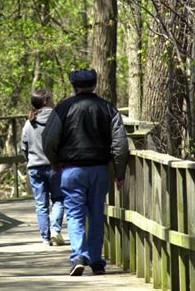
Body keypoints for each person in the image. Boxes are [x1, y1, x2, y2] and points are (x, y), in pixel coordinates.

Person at [42, 69, 129, 276]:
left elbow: (49, 139)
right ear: (95, 84)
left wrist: (55, 162)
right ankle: (97, 260)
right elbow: (120, 144)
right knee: (97, 214)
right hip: (99, 169)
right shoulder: (108, 108)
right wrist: (119, 172)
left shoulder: (63, 108)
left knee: (75, 214)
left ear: (74, 86)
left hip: (71, 170)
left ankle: (79, 256)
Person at [21, 88, 65, 247]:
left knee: (41, 204)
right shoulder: (58, 119)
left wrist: (30, 160)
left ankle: (45, 238)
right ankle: (55, 230)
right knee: (59, 199)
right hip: (55, 166)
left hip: (35, 167)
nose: (53, 100)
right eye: (51, 98)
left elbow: (23, 146)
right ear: (46, 101)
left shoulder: (29, 122)